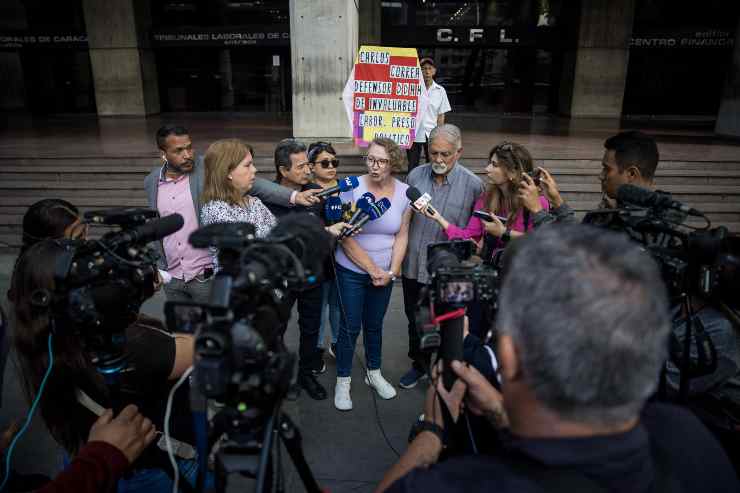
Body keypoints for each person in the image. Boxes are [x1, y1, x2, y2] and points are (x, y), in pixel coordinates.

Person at [377, 224, 740, 493]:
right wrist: (500, 412)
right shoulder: (687, 435)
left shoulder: (464, 484)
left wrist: (431, 432)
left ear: (509, 356)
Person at [10, 240, 199, 493]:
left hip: (85, 452)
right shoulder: (130, 346)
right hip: (159, 468)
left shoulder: (46, 337)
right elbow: (200, 348)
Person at [144, 124, 320, 304]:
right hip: (172, 278)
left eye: (189, 147)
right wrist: (155, 266)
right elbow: (155, 228)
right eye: (179, 150)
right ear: (163, 154)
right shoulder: (151, 182)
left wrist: (295, 196)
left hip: (203, 277)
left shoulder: (207, 167)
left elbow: (255, 185)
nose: (188, 154)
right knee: (180, 331)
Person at [400, 124, 483, 390]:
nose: (438, 160)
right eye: (433, 153)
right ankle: (419, 365)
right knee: (415, 320)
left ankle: (446, 370)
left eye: (445, 154)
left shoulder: (474, 185)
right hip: (414, 265)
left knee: (451, 324)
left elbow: (474, 233)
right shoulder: (415, 176)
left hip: (449, 270)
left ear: (458, 152)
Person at [333, 137, 412, 411]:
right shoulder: (352, 188)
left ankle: (374, 373)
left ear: (394, 163)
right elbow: (344, 236)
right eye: (371, 159)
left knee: (374, 325)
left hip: (385, 274)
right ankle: (343, 380)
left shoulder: (404, 193)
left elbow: (402, 235)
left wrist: (392, 271)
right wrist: (372, 269)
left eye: (381, 161)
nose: (374, 166)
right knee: (349, 325)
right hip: (352, 270)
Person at [265, 139, 328, 400]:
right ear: (283, 170)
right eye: (301, 166)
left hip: (312, 276)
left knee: (311, 328)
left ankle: (306, 373)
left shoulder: (316, 193)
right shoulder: (266, 198)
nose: (308, 170)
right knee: (275, 329)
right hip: (280, 280)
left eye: (308, 165)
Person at [420, 141, 549, 247]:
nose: (487, 169)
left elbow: (543, 241)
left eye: (494, 165)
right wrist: (438, 218)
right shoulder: (486, 198)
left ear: (513, 172)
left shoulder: (538, 202)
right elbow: (470, 236)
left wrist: (504, 233)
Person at [308, 141, 341, 360]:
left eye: (334, 162)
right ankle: (317, 348)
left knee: (338, 306)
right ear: (311, 166)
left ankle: (338, 344)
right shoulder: (307, 193)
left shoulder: (346, 188)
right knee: (319, 309)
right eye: (324, 163)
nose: (331, 166)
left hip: (342, 259)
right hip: (318, 261)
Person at [407, 58, 451, 171]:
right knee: (412, 164)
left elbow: (441, 115)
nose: (427, 71)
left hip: (431, 133)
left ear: (434, 71)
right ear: (419, 71)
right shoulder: (411, 89)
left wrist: (439, 135)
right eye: (424, 69)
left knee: (433, 163)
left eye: (429, 68)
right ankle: (411, 186)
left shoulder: (440, 91)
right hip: (414, 132)